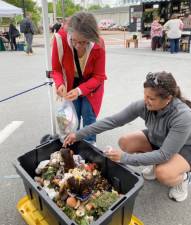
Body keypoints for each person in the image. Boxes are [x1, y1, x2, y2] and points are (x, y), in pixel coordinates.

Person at [64, 71, 191, 202]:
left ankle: (184, 178)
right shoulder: (145, 105)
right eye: (145, 95)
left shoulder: (182, 116)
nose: (146, 101)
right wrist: (78, 134)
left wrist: (125, 158)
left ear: (168, 98)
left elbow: (165, 154)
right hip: (159, 139)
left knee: (163, 173)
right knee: (125, 142)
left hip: (184, 148)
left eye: (151, 98)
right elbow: (112, 121)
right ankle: (155, 163)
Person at [51, 12, 106, 145]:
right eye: (74, 41)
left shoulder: (98, 44)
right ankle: (71, 147)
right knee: (69, 118)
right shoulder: (60, 39)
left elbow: (99, 76)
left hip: (91, 86)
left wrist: (80, 91)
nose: (78, 46)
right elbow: (56, 69)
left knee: (88, 116)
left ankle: (90, 147)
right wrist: (59, 84)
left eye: (83, 42)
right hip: (70, 84)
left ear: (91, 37)